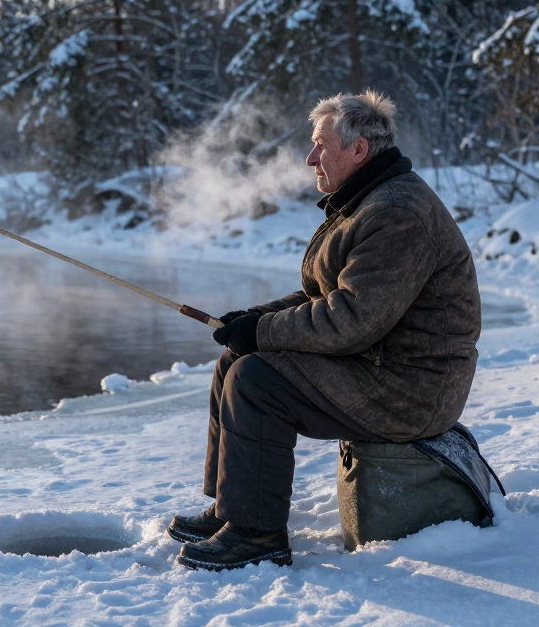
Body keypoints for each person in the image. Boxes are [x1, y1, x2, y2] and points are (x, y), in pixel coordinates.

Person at [171, 91, 481, 571]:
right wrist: (250, 322)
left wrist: (264, 333)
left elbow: (352, 320)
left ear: (359, 150)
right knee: (236, 358)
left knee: (257, 381)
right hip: (378, 367)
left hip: (411, 389)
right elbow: (323, 297)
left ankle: (257, 536)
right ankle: (232, 512)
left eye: (320, 144)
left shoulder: (397, 213)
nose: (310, 157)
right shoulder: (365, 202)